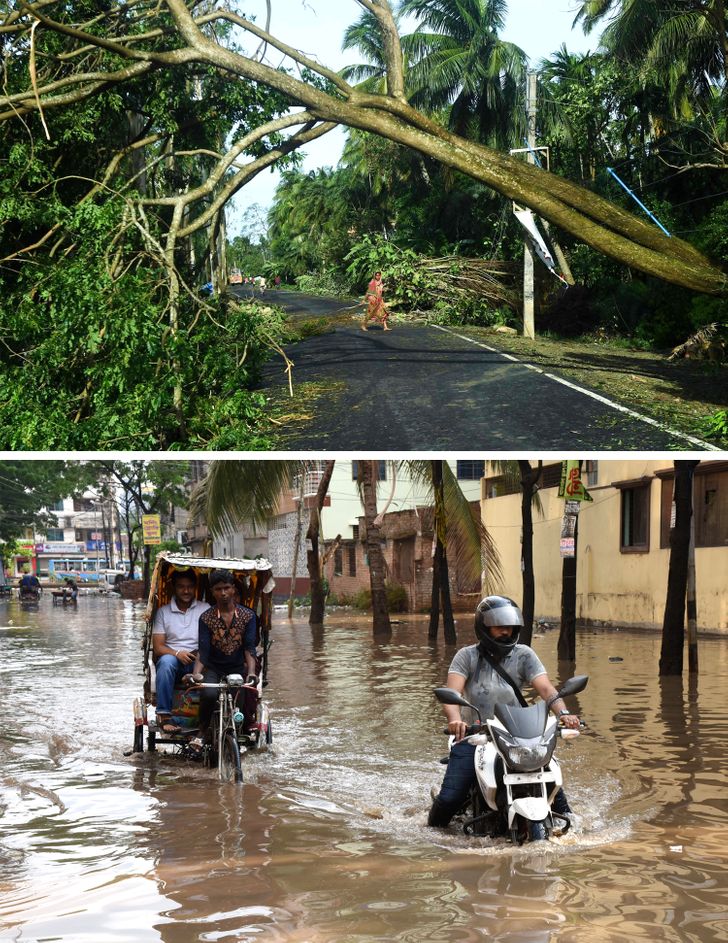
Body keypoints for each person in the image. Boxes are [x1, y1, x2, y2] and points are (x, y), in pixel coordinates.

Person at [428, 595, 580, 829]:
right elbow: (453, 694)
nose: (506, 632)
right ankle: (430, 832)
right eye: (500, 627)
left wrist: (564, 713)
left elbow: (546, 689)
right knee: (451, 797)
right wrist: (456, 720)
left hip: (516, 734)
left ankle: (573, 827)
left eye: (510, 627)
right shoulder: (466, 656)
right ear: (484, 627)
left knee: (554, 789)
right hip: (475, 735)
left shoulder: (524, 655)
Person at [191, 569, 258, 744]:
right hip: (214, 668)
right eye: (218, 589)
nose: (223, 593)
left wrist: (251, 672)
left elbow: (250, 648)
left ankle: (239, 734)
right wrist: (196, 674)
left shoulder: (248, 616)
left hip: (237, 668)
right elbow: (203, 651)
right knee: (209, 694)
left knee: (240, 700)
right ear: (213, 592)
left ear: (233, 589)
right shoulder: (206, 618)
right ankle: (202, 731)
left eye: (227, 588)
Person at [152, 570, 210, 733]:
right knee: (165, 662)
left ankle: (211, 715)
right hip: (173, 661)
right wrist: (177, 654)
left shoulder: (205, 609)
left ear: (195, 588)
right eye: (181, 587)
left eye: (190, 587)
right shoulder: (163, 612)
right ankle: (164, 716)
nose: (186, 591)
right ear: (174, 588)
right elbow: (158, 647)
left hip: (200, 659)